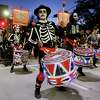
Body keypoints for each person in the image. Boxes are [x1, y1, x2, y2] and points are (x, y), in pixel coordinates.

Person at [28, 5, 62, 98]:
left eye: (44, 11)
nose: (42, 13)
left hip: (54, 50)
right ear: (38, 14)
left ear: (47, 14)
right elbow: (30, 40)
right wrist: (36, 43)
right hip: (43, 51)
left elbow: (59, 34)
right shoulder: (36, 26)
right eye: (40, 12)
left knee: (57, 69)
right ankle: (37, 89)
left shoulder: (52, 24)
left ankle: (58, 84)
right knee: (42, 72)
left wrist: (62, 27)